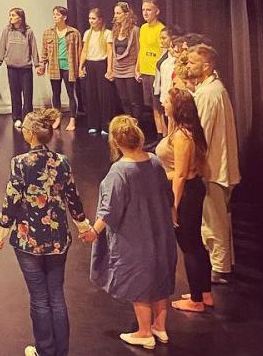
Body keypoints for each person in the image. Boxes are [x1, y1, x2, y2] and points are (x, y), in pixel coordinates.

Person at [0, 109, 93, 356]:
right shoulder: (62, 162)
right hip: (58, 239)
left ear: (30, 134)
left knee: (39, 297)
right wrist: (84, 227)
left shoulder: (20, 163)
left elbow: (12, 201)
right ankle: (61, 351)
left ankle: (44, 350)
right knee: (56, 295)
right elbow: (73, 198)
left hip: (29, 240)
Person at [89, 115, 177, 349]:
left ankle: (144, 332)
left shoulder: (119, 172)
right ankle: (160, 327)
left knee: (139, 279)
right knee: (160, 274)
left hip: (135, 236)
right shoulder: (154, 161)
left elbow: (109, 209)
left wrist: (93, 232)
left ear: (116, 142)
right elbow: (168, 195)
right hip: (160, 231)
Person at [186, 44, 241, 284]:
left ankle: (220, 267)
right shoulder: (211, 89)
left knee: (215, 218)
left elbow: (202, 134)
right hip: (215, 165)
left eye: (193, 63)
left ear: (206, 66)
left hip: (214, 168)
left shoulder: (209, 94)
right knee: (216, 217)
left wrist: (191, 163)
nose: (188, 66)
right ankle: (222, 263)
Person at [156, 88, 213, 312]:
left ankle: (196, 300)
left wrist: (174, 206)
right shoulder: (182, 131)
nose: (163, 104)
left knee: (189, 246)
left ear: (177, 107)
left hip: (186, 193)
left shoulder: (182, 137)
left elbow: (180, 175)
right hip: (191, 189)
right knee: (196, 243)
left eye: (167, 102)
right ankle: (204, 293)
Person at [38, 7, 81, 132]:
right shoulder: (48, 33)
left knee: (71, 93)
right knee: (55, 93)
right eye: (54, 15)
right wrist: (42, 65)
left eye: (57, 14)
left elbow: (79, 51)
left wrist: (81, 67)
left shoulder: (74, 33)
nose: (55, 17)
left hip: (69, 67)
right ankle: (57, 117)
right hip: (54, 67)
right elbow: (44, 52)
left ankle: (72, 119)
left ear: (64, 17)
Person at [0, 8, 40, 128]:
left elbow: (34, 49)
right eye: (10, 15)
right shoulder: (7, 31)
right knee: (15, 94)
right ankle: (17, 118)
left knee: (27, 95)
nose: (10, 17)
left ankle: (28, 118)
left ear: (20, 18)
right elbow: (2, 48)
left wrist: (37, 65)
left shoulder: (29, 31)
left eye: (13, 15)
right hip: (12, 68)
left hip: (25, 68)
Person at [78, 8, 114, 135]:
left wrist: (109, 68)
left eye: (93, 18)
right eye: (90, 18)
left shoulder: (107, 33)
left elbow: (110, 52)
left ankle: (105, 125)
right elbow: (84, 51)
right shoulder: (87, 33)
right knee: (91, 95)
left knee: (104, 96)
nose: (91, 21)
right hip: (90, 64)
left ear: (100, 19)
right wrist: (80, 67)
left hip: (101, 65)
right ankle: (93, 124)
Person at [109, 2, 143, 121]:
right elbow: (113, 50)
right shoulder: (115, 30)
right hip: (118, 69)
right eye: (115, 13)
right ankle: (128, 123)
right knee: (124, 100)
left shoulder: (135, 30)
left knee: (134, 100)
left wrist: (137, 68)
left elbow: (139, 50)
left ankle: (136, 124)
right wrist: (111, 68)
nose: (115, 16)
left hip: (130, 68)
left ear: (126, 14)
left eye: (118, 13)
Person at [138, 0, 167, 135]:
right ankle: (159, 135)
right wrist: (138, 67)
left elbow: (163, 52)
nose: (145, 13)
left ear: (157, 11)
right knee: (153, 107)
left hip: (156, 74)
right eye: (143, 10)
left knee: (159, 107)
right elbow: (141, 49)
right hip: (145, 72)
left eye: (149, 10)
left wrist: (160, 72)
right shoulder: (143, 28)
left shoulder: (161, 29)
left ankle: (165, 136)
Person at [151, 26, 183, 134]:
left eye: (164, 38)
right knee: (167, 122)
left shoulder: (178, 59)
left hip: (173, 97)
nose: (161, 41)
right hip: (164, 94)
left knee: (174, 125)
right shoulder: (166, 54)